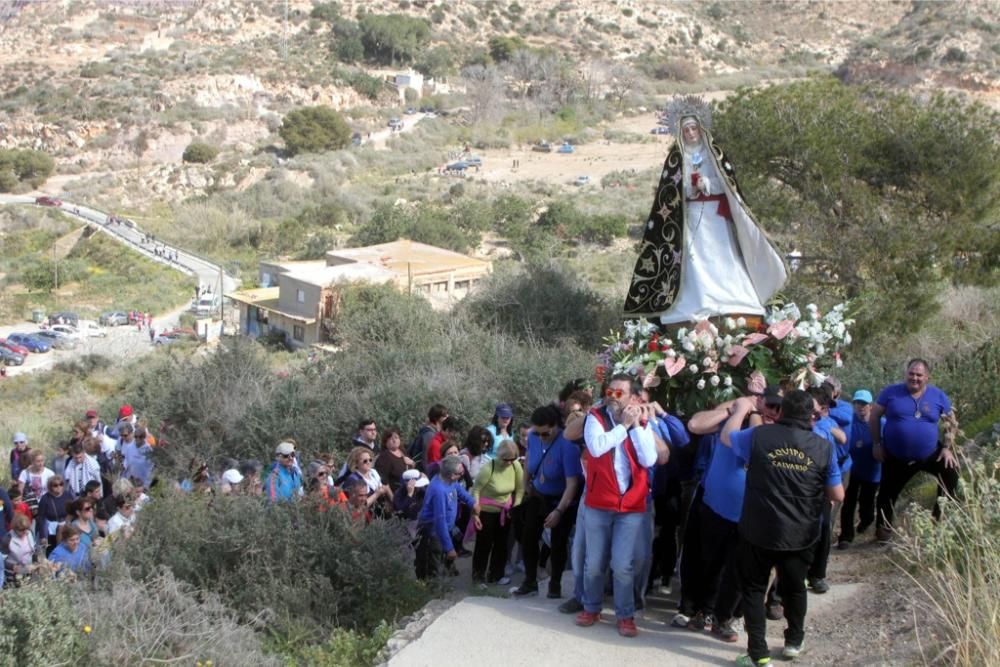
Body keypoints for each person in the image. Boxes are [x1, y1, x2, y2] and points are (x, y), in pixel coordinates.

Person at [623, 95, 786, 322]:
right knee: (694, 257)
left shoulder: (715, 154)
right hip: (690, 216)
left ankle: (731, 298)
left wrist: (708, 183)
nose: (690, 134)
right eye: (686, 130)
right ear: (680, 133)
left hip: (715, 216)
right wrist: (690, 188)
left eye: (693, 128)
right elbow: (669, 191)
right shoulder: (677, 158)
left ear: (700, 128)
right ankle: (697, 300)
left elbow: (728, 184)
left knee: (722, 254)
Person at [721, 389, 844, 666]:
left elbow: (728, 437)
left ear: (782, 412)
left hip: (758, 528)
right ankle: (793, 642)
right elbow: (838, 495)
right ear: (811, 416)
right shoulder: (823, 446)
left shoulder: (759, 436)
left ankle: (759, 654)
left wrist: (740, 410)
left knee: (753, 589)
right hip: (799, 533)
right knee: (794, 589)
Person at [575, 374, 658, 638]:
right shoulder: (595, 418)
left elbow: (649, 459)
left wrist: (636, 427)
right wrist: (622, 427)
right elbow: (597, 448)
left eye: (619, 393)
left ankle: (625, 615)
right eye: (609, 391)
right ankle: (592, 606)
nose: (612, 396)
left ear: (634, 397)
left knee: (623, 564)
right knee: (595, 563)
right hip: (599, 503)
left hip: (631, 505)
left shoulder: (642, 423)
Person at [872, 359, 959, 541]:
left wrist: (947, 448)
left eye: (919, 375)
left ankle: (939, 519)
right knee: (886, 495)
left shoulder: (938, 395)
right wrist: (877, 444)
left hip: (929, 454)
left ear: (927, 377)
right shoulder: (891, 392)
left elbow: (951, 422)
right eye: (911, 373)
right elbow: (874, 415)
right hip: (896, 456)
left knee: (951, 471)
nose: (915, 378)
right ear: (906, 374)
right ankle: (883, 532)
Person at [511, 405, 582, 600]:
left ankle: (555, 583)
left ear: (556, 427)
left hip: (561, 500)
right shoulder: (533, 437)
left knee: (558, 543)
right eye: (539, 433)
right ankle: (530, 580)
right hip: (538, 495)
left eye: (546, 433)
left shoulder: (567, 445)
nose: (542, 437)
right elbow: (529, 462)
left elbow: (572, 483)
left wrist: (559, 511)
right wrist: (525, 483)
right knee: (528, 538)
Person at [415, 455, 481, 580]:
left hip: (446, 527)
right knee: (435, 563)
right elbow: (440, 522)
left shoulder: (450, 481)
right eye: (460, 473)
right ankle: (435, 590)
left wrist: (473, 502)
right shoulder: (439, 491)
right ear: (451, 475)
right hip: (433, 532)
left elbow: (460, 492)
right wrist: (449, 548)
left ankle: (445, 574)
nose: (462, 474)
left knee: (445, 557)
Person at [471, 439, 524, 587]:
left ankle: (496, 574)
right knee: (483, 545)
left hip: (506, 511)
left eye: (513, 459)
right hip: (486, 511)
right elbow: (476, 490)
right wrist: (475, 511)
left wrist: (515, 508)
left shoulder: (516, 466)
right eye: (506, 459)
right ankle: (478, 577)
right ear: (500, 456)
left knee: (502, 545)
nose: (509, 462)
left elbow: (520, 489)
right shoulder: (489, 468)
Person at [838, 390, 881, 548]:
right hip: (851, 471)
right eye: (857, 403)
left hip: (872, 471)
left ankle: (865, 522)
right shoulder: (848, 421)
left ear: (871, 406)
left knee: (867, 505)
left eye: (864, 404)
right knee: (848, 503)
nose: (860, 406)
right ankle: (845, 537)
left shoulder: (880, 423)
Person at [341, 446, 393, 511]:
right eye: (365, 461)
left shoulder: (374, 473)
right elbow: (357, 507)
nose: (368, 462)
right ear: (356, 463)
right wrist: (377, 494)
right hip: (366, 516)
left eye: (370, 460)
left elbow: (386, 487)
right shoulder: (352, 480)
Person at [37, 474, 73, 553]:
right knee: (52, 550)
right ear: (50, 487)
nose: (59, 487)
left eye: (61, 484)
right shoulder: (45, 498)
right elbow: (41, 517)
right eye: (55, 485)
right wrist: (42, 536)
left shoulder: (68, 495)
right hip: (51, 529)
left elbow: (73, 511)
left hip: (67, 526)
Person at [408, 404, 448, 471]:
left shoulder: (428, 430)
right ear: (436, 418)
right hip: (423, 472)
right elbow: (425, 457)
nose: (447, 417)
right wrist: (428, 475)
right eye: (444, 415)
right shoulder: (429, 434)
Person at [374, 427, 414, 493]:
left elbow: (411, 469)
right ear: (385, 441)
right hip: (396, 495)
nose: (394, 440)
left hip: (409, 492)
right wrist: (392, 500)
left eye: (396, 437)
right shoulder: (384, 457)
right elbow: (383, 482)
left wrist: (412, 463)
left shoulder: (403, 452)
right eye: (391, 438)